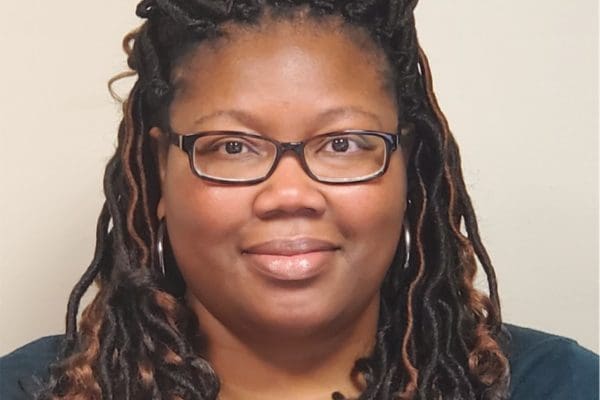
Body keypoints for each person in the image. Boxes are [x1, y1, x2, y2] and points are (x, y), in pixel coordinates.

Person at [0, 0, 597, 399]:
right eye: (233, 146)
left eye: (342, 143)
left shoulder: (563, 386)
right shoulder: (26, 389)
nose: (290, 194)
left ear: (407, 166)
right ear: (160, 173)